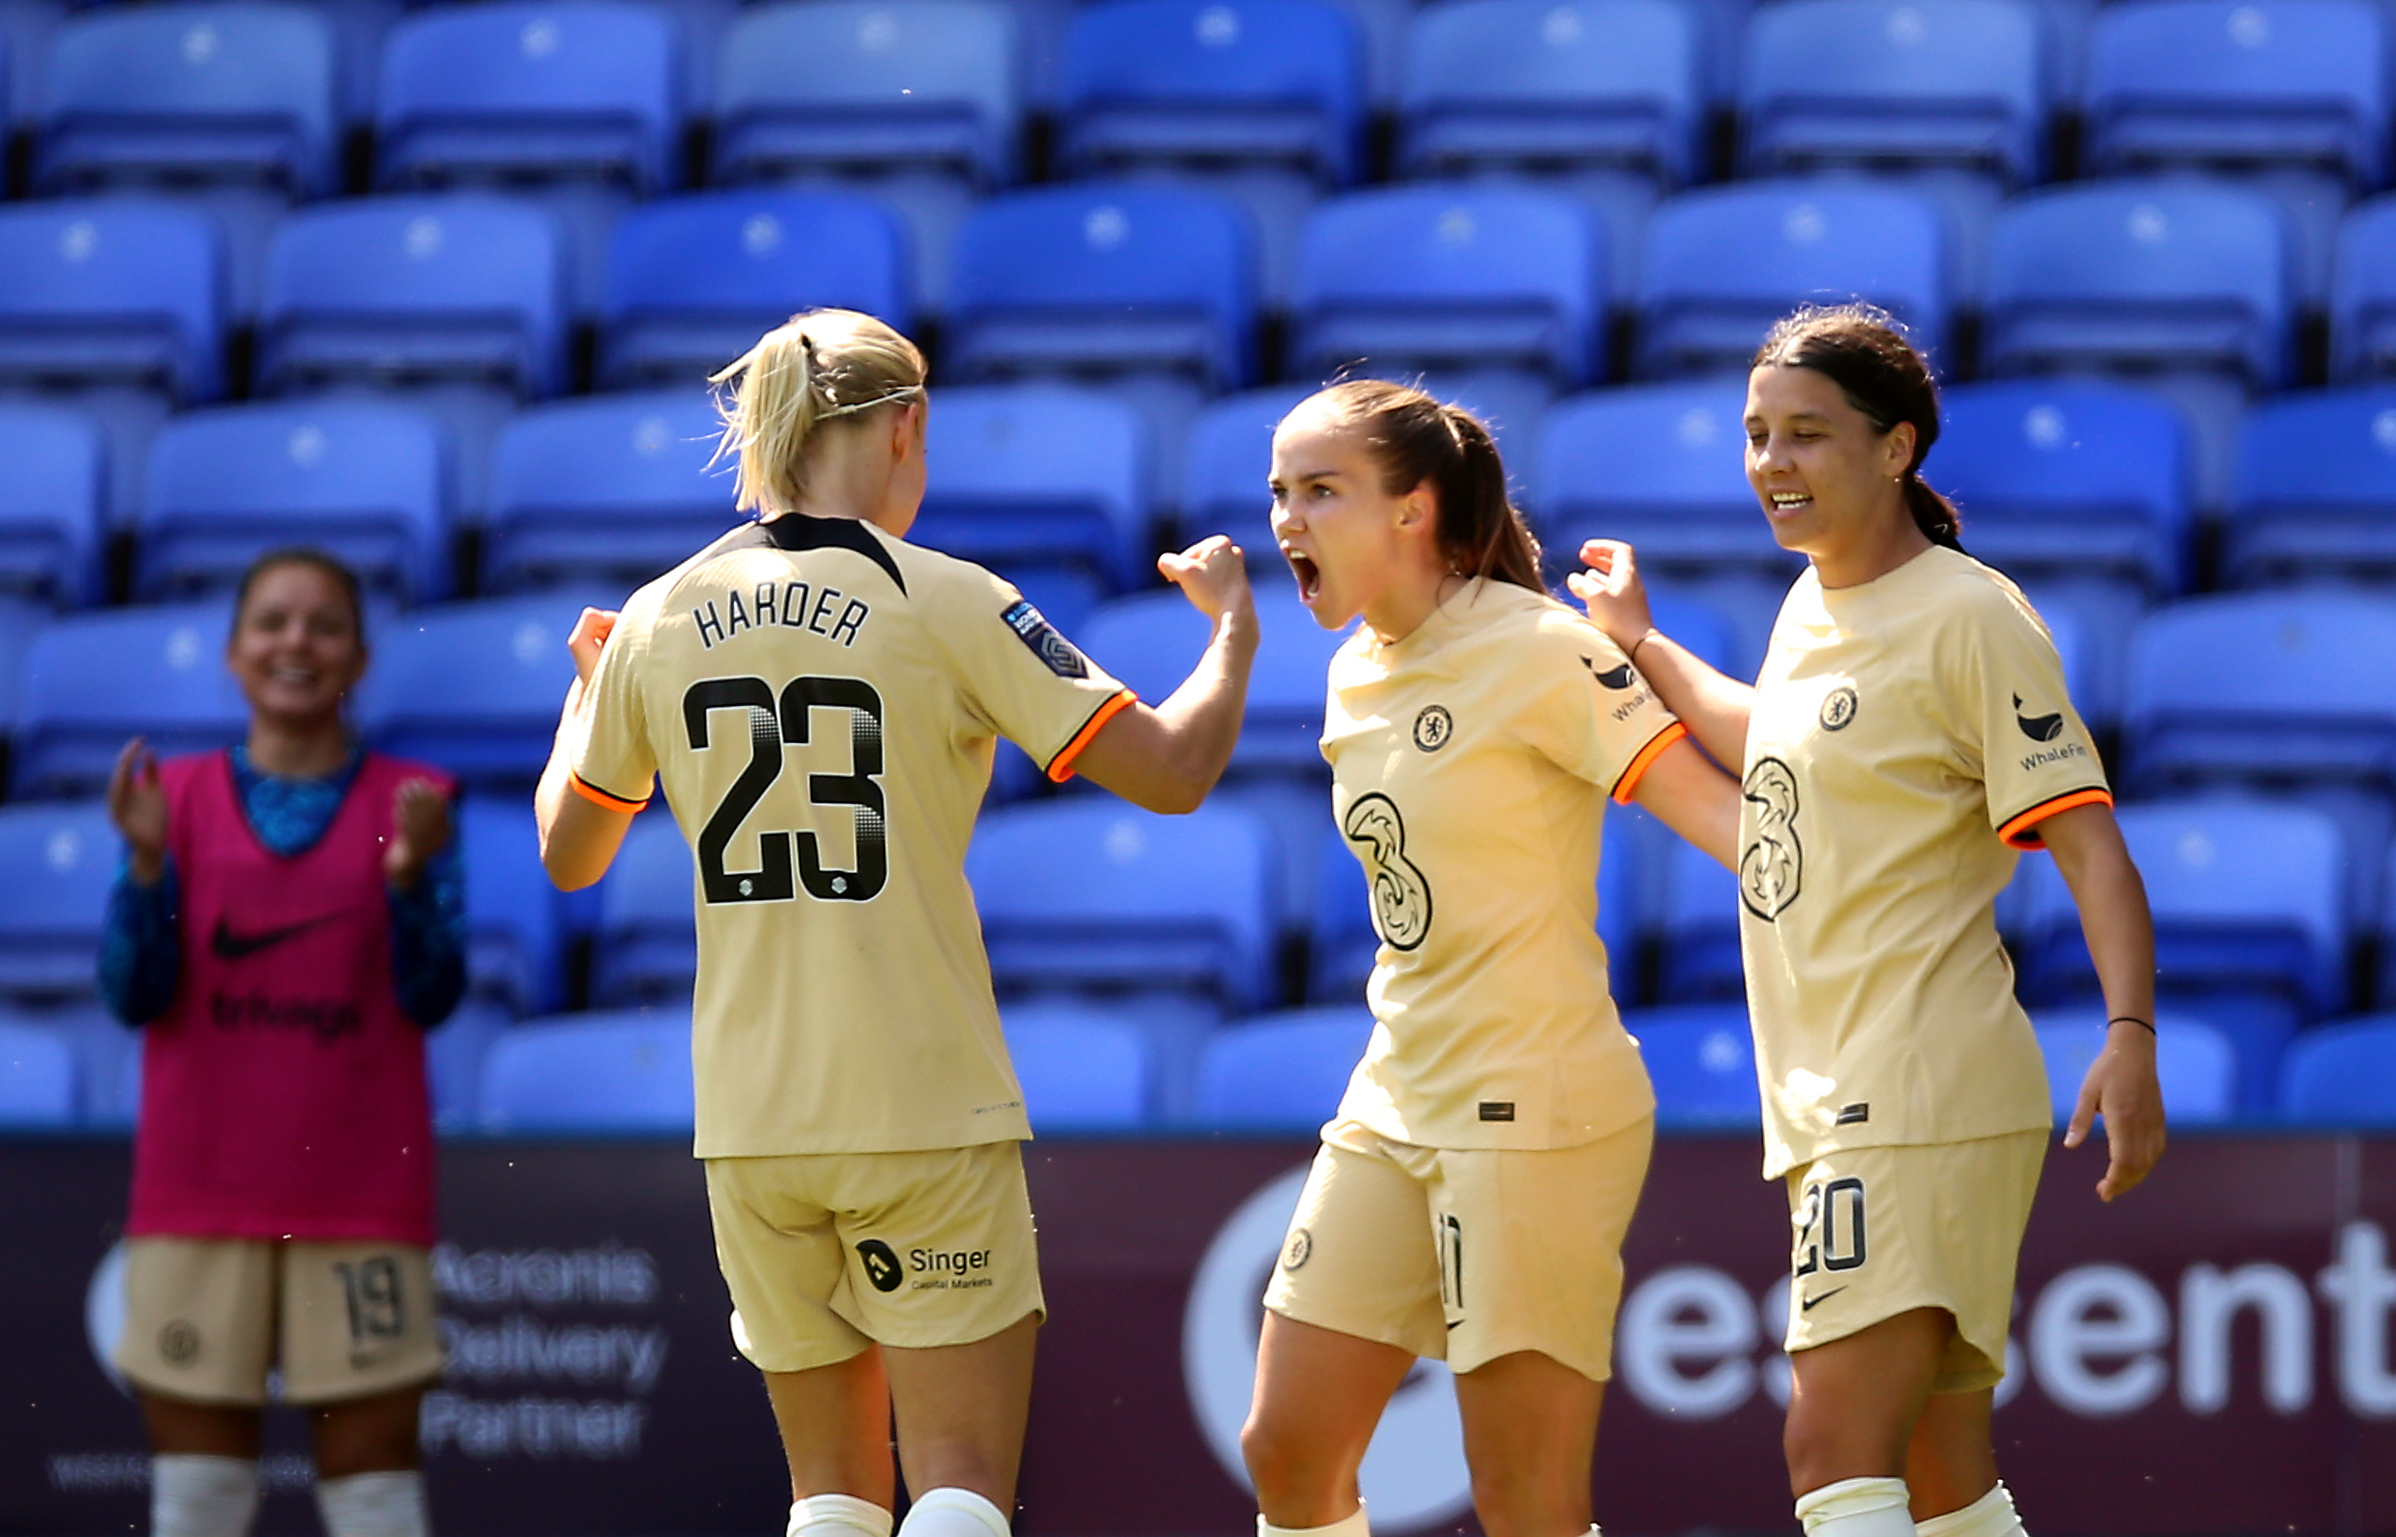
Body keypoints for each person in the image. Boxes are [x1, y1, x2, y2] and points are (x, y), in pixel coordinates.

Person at [532, 308, 1257, 1537]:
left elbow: (568, 850)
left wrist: (583, 697)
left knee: (829, 1500)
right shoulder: (949, 600)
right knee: (960, 1482)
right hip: (916, 1096)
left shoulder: (656, 615)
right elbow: (1174, 771)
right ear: (907, 426)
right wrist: (1234, 630)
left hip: (751, 1121)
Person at [1571, 304, 2167, 1537]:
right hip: (1843, 1090)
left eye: (1804, 434)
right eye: (1753, 436)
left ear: (1896, 448)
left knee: (1828, 1444)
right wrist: (1644, 649)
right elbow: (1774, 739)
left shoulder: (1968, 615)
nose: (1770, 465)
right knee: (1941, 1473)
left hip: (1909, 1085)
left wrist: (2127, 1031)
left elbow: (2088, 841)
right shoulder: (1811, 602)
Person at [1239, 379, 1741, 1537]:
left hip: (1535, 1100)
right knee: (1288, 1448)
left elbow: (1723, 825)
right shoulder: (1352, 667)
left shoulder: (1537, 648)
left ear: (1413, 509)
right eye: (1279, 492)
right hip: (1396, 1091)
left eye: (1322, 490)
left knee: (1524, 1498)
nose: (1287, 521)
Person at [100, 549, 466, 1537]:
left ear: (358, 656)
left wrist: (409, 883)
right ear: (232, 653)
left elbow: (434, 995)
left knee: (374, 1482)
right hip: (198, 1187)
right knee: (200, 1493)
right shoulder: (163, 801)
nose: (294, 643)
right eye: (271, 622)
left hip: (359, 1194)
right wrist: (143, 867)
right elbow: (131, 994)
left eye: (322, 625)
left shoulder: (417, 804)